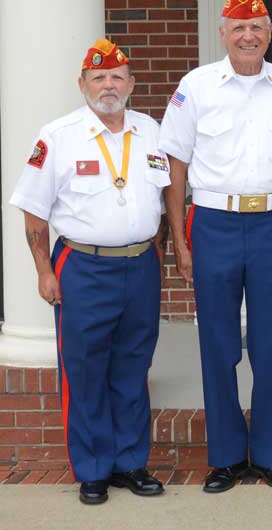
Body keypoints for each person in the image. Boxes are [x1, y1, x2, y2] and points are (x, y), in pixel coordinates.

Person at [158, 0, 272, 493]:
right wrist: (180, 240)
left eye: (259, 28)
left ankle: (270, 456)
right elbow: (175, 167)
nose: (249, 36)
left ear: (269, 34)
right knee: (217, 344)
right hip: (214, 225)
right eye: (239, 28)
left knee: (271, 345)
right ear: (222, 33)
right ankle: (225, 456)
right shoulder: (195, 86)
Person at [10, 40, 169, 505]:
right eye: (98, 78)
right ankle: (94, 468)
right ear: (82, 85)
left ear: (132, 85)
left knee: (134, 366)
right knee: (84, 369)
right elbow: (34, 213)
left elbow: (160, 200)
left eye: (117, 77)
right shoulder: (57, 136)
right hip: (82, 266)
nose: (108, 85)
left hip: (140, 266)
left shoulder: (151, 131)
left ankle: (131, 463)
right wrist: (44, 271)